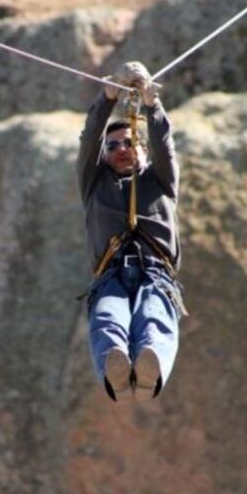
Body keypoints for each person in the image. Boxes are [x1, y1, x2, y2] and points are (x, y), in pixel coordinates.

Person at [77, 61, 186, 402]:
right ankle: (116, 371)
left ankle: (151, 366)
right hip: (110, 275)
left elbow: (164, 144)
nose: (121, 149)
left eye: (128, 142)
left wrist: (152, 104)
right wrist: (108, 95)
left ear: (142, 148)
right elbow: (89, 140)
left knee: (154, 315)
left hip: (156, 274)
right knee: (108, 316)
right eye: (112, 147)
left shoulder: (160, 179)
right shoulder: (94, 183)